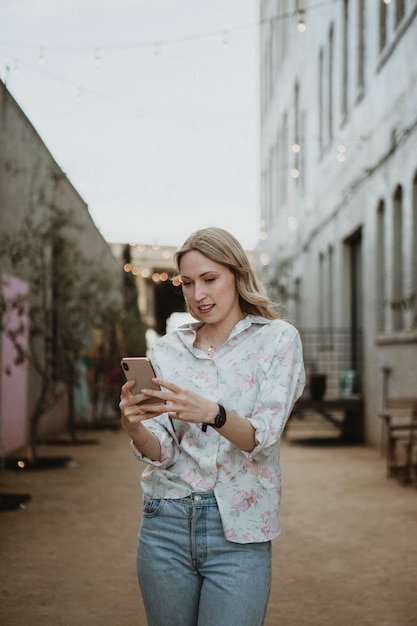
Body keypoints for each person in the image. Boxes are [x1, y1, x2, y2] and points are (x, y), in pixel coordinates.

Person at [119, 227, 305, 626]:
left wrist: (213, 413)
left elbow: (262, 438)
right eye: (187, 283)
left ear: (236, 275)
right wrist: (134, 426)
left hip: (239, 529)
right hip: (164, 523)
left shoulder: (278, 341)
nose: (198, 295)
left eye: (209, 279)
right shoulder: (169, 349)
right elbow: (163, 451)